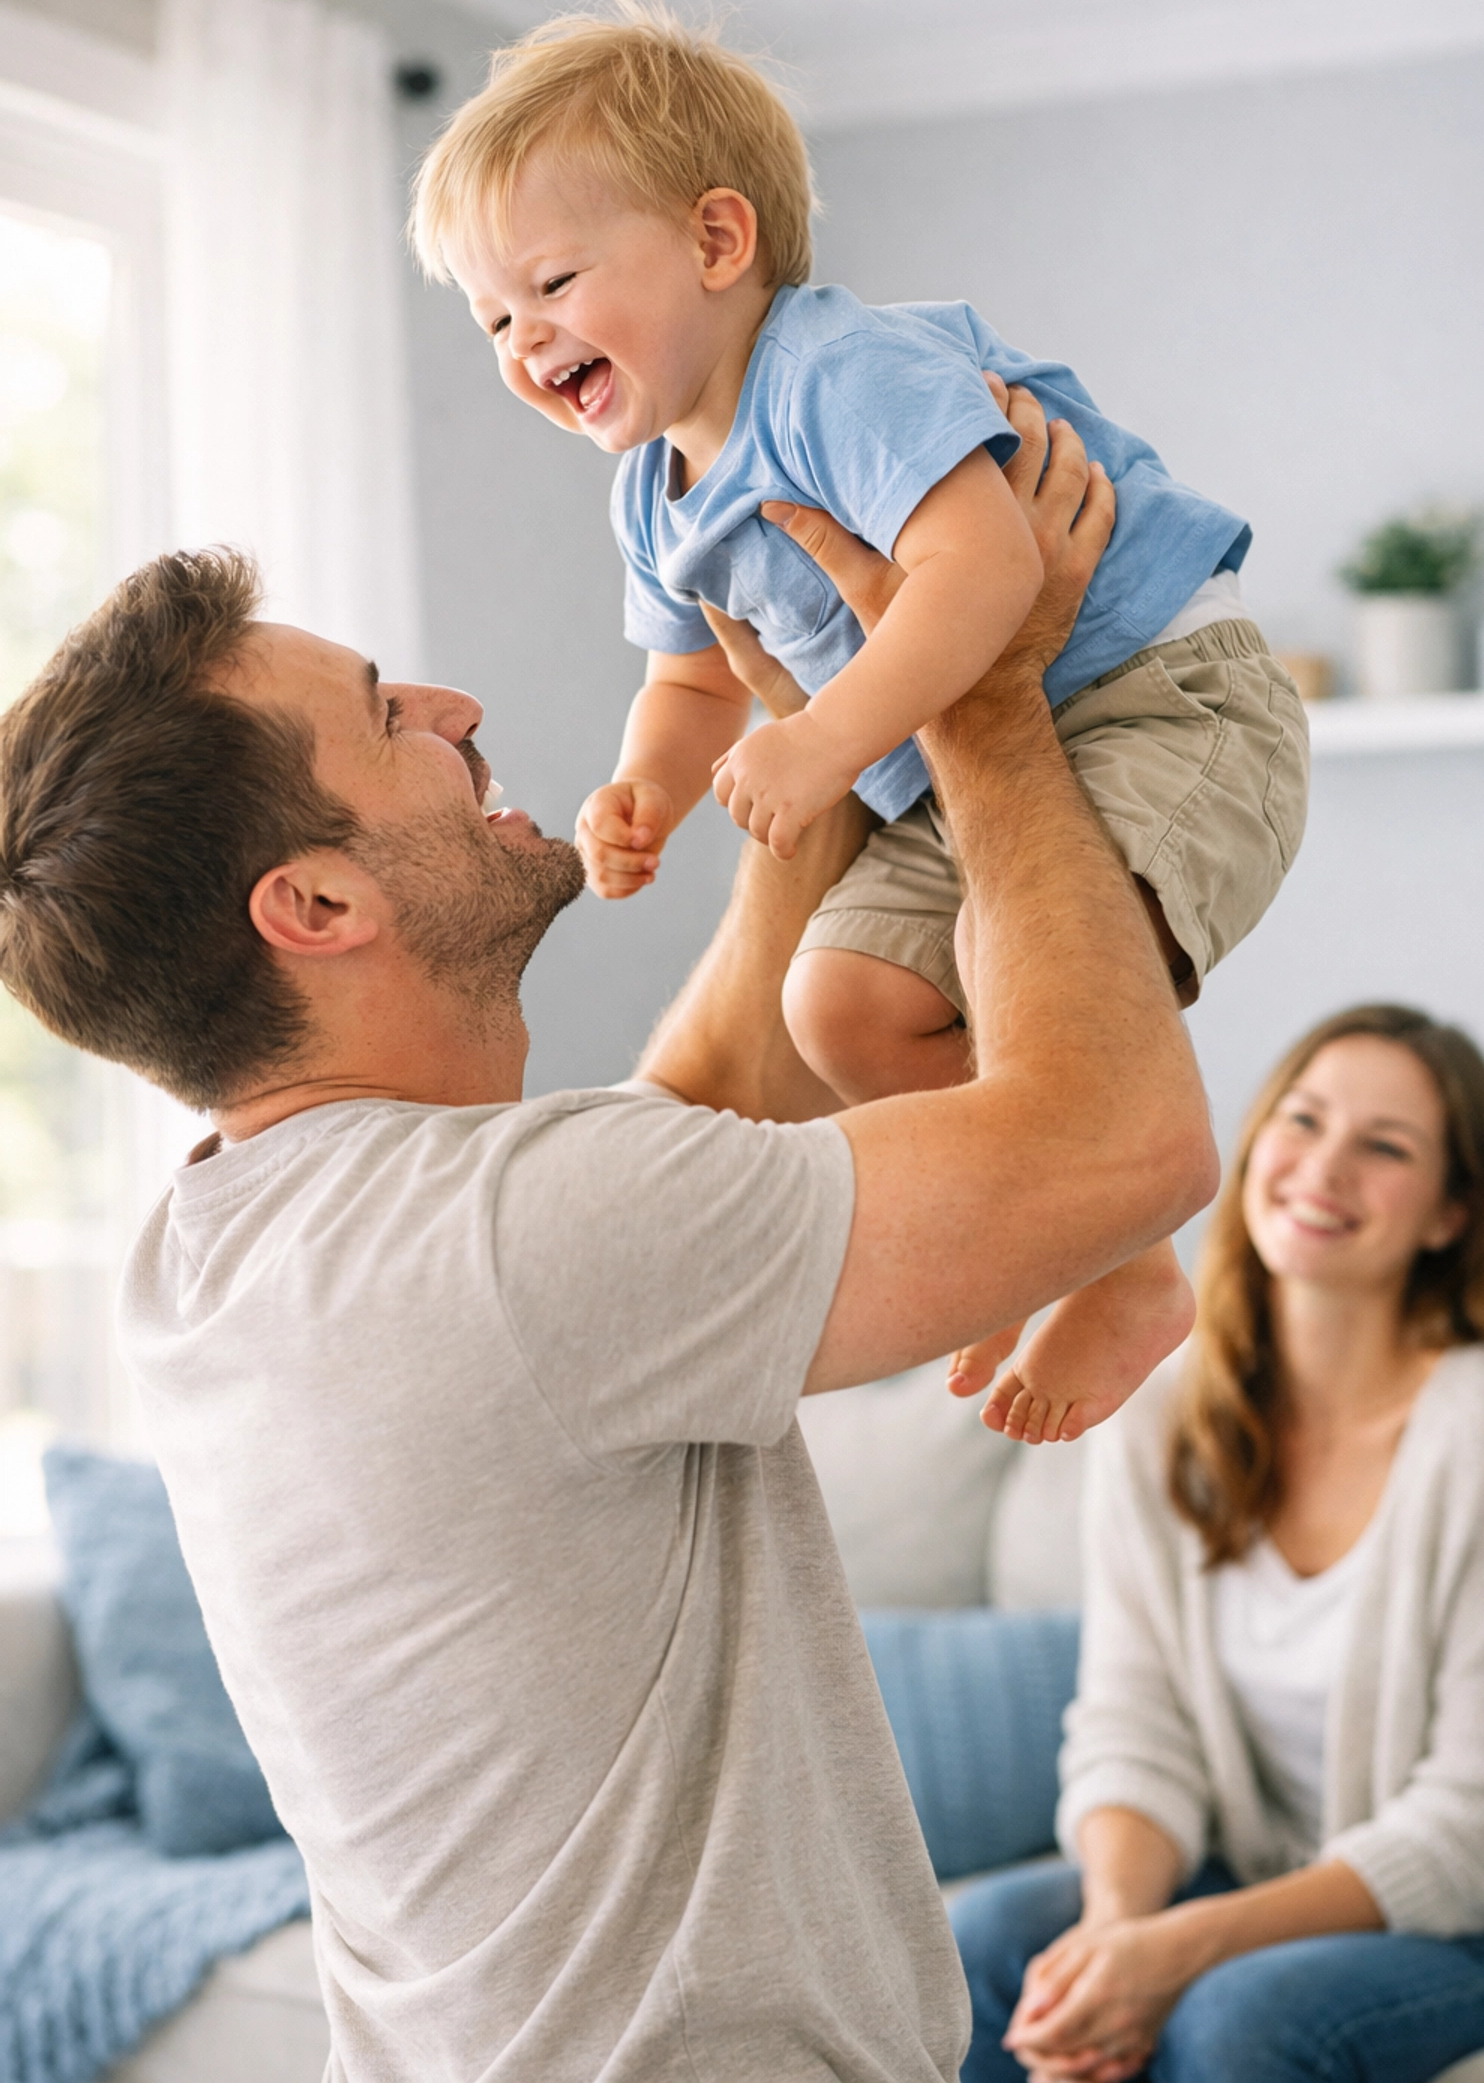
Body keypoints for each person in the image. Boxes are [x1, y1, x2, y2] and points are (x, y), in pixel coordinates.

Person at [0, 393, 1216, 2082]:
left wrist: (824, 722)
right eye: (388, 717)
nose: (457, 706)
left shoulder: (214, 1249)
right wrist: (990, 698)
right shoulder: (515, 1245)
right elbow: (1123, 1143)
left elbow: (689, 1119)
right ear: (320, 906)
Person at [409, 0, 1310, 1448]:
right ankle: (1107, 1250)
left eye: (554, 283)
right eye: (494, 317)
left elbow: (991, 570)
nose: (525, 341)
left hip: (1151, 695)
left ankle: (1110, 1226)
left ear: (717, 241)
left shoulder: (841, 373)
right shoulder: (651, 489)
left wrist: (827, 744)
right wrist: (646, 786)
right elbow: (698, 676)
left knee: (1011, 959)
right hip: (955, 778)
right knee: (835, 1008)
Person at [952, 1005, 1484, 2083]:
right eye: (1302, 1121)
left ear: (1453, 1214)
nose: (1324, 1168)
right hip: (1260, 1867)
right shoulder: (1158, 1412)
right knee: (982, 1947)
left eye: (1386, 1148)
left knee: (1240, 2019)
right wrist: (1117, 1933)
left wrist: (1182, 1946)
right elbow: (1135, 1721)